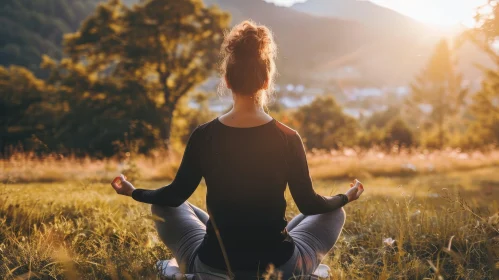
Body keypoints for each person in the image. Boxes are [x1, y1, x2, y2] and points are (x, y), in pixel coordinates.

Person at [110, 20, 364, 280]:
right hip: (278, 267)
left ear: (227, 80)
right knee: (334, 211)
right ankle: (301, 274)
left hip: (215, 264)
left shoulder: (204, 135)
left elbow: (174, 196)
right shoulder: (288, 137)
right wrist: (345, 197)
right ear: (266, 81)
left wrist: (134, 192)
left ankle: (191, 273)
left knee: (165, 207)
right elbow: (309, 204)